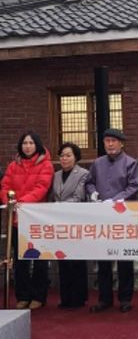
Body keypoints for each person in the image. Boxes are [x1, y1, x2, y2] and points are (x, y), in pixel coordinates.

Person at [85, 128, 138, 313]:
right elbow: (89, 182)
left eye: (113, 141)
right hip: (102, 217)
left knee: (125, 259)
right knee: (103, 259)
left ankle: (125, 298)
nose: (110, 144)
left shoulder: (131, 162)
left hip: (124, 216)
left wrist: (116, 199)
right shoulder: (97, 163)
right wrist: (93, 192)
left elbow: (134, 186)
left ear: (121, 143)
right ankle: (104, 299)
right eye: (107, 141)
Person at [0, 131, 53, 310]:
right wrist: (10, 201)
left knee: (39, 259)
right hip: (16, 220)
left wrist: (22, 203)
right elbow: (5, 186)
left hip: (36, 219)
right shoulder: (13, 165)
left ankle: (39, 295)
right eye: (25, 143)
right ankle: (23, 295)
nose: (28, 146)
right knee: (19, 259)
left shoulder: (45, 164)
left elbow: (41, 188)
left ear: (37, 145)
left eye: (31, 143)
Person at [51, 142, 89, 310]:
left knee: (77, 261)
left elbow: (79, 197)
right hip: (60, 224)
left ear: (76, 157)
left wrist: (59, 206)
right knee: (63, 261)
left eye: (68, 155)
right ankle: (65, 297)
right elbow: (53, 196)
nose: (64, 159)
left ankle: (78, 298)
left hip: (76, 221)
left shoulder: (83, 174)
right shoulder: (56, 175)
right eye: (62, 156)